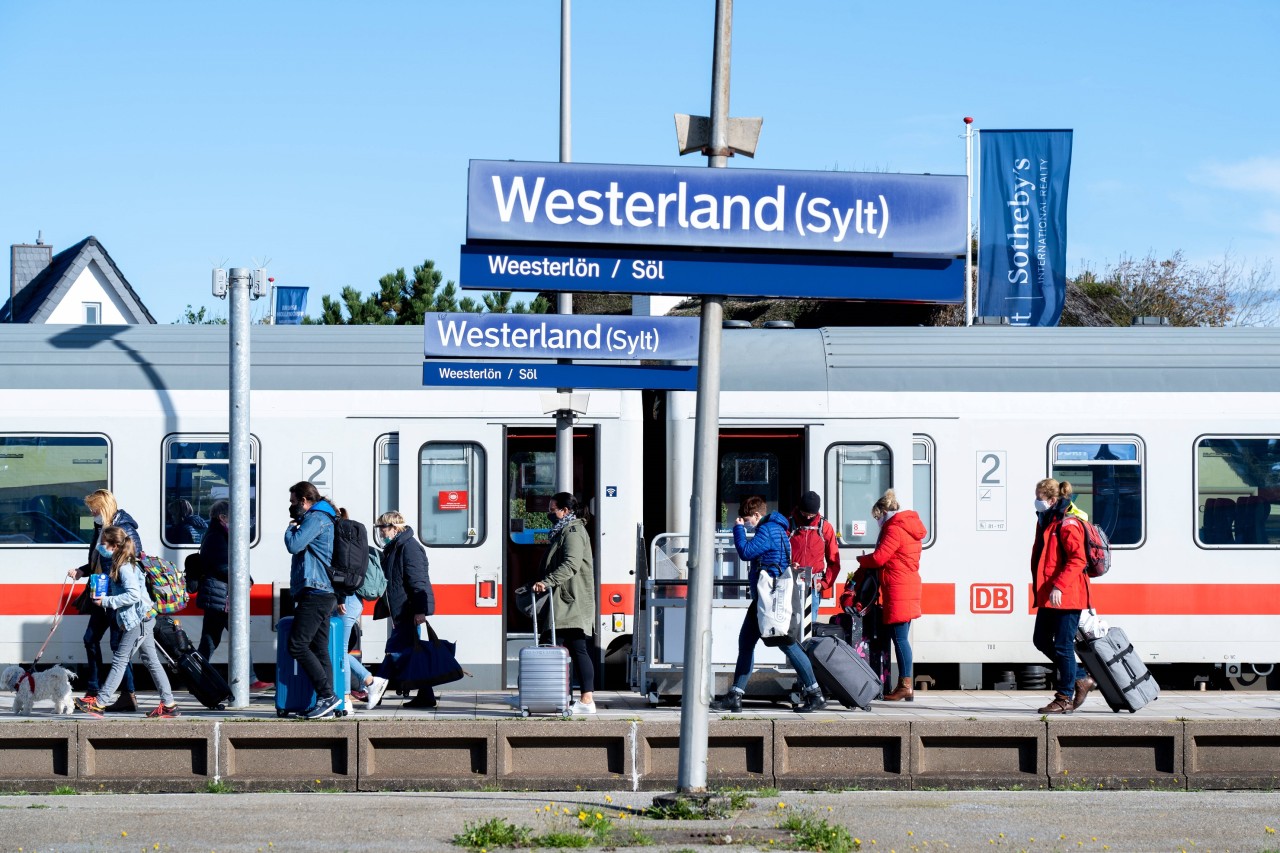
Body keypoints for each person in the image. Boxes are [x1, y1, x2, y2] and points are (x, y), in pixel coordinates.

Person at [710, 496, 827, 714]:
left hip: (769, 599)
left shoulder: (767, 529)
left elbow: (746, 552)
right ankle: (735, 695)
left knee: (787, 644)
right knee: (747, 643)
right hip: (766, 598)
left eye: (747, 520)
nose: (746, 524)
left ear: (757, 515)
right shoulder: (780, 530)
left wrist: (738, 530)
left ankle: (815, 693)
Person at [73, 526, 180, 717]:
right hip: (144, 618)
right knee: (151, 661)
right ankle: (169, 704)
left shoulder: (124, 567)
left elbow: (133, 594)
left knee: (120, 660)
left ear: (114, 546)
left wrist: (106, 601)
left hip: (138, 620)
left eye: (103, 544)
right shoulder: (122, 563)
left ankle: (99, 703)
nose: (100, 547)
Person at [67, 489, 140, 712]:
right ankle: (93, 690)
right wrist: (82, 570)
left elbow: (131, 561)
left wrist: (110, 590)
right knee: (90, 639)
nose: (92, 513)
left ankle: (128, 694)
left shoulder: (124, 528)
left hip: (115, 598)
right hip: (100, 595)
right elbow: (98, 559)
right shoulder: (101, 529)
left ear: (104, 507)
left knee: (118, 646)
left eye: (94, 509)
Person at [854, 489, 927, 702]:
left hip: (898, 588)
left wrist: (861, 560)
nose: (877, 521)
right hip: (906, 585)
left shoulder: (894, 529)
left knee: (900, 638)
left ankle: (905, 685)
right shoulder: (907, 526)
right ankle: (905, 685)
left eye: (877, 517)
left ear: (884, 512)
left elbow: (879, 558)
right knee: (901, 637)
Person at [1030, 478, 1095, 714]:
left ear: (1052, 499)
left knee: (1064, 647)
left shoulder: (1068, 524)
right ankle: (1080, 678)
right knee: (1041, 640)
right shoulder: (1047, 520)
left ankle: (1064, 697)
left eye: (1040, 498)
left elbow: (1078, 560)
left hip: (1067, 594)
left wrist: (1058, 586)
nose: (1037, 502)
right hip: (1051, 594)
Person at [531, 492, 597, 715]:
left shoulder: (573, 532)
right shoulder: (565, 531)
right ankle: (565, 697)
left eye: (553, 510)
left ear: (565, 511)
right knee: (570, 647)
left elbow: (571, 564)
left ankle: (577, 699)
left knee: (556, 646)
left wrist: (546, 582)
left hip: (570, 600)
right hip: (566, 600)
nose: (550, 514)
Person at [196, 500, 271, 691]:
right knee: (238, 636)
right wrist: (246, 578)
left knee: (210, 640)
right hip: (221, 596)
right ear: (223, 517)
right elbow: (224, 566)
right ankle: (250, 679)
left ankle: (197, 676)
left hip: (218, 595)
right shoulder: (216, 536)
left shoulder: (217, 534)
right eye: (234, 516)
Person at [283, 482, 341, 720]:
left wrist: (290, 529)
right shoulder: (326, 516)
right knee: (319, 648)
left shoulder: (316, 518)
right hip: (324, 592)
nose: (291, 506)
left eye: (293, 501)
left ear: (305, 500)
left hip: (316, 591)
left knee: (297, 645)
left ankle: (327, 696)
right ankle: (330, 703)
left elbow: (294, 545)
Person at [374, 511, 434, 709]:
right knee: (408, 652)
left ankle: (376, 690)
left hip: (408, 610)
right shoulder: (396, 547)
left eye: (382, 527)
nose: (380, 532)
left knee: (394, 650)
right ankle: (426, 695)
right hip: (401, 610)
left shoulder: (409, 548)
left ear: (394, 527)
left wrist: (420, 610)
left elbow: (418, 582)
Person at [334, 508, 389, 712]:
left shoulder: (343, 544)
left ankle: (350, 695)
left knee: (338, 650)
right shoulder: (353, 544)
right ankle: (368, 682)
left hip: (346, 602)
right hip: (352, 602)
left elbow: (341, 575)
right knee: (336, 649)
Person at [790, 490, 841, 609]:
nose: (807, 517)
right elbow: (779, 553)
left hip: (813, 585)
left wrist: (824, 583)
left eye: (811, 515)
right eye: (804, 513)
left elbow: (834, 560)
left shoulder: (825, 528)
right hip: (791, 583)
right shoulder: (789, 524)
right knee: (789, 625)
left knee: (810, 624)